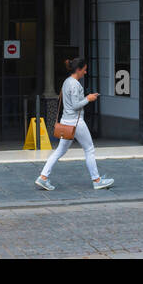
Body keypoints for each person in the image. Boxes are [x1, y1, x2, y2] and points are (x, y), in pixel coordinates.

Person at [35, 57, 114, 191]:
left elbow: (69, 103)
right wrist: (88, 99)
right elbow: (76, 105)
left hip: (66, 121)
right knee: (89, 149)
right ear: (78, 70)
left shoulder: (66, 82)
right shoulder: (75, 84)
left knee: (60, 150)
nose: (85, 72)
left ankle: (43, 177)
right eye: (84, 70)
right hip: (76, 122)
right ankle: (97, 180)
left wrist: (86, 97)